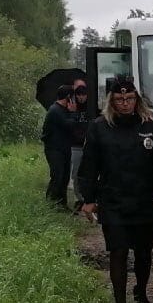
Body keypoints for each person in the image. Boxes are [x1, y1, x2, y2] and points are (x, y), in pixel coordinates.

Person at [77, 76, 153, 303]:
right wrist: (88, 198)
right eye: (120, 99)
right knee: (118, 252)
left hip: (143, 199)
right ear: (112, 101)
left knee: (143, 253)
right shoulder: (99, 127)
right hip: (113, 200)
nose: (125, 103)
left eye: (129, 98)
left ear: (136, 99)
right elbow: (89, 166)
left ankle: (141, 292)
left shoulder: (151, 124)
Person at [40, 84, 78, 209]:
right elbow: (69, 125)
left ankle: (62, 204)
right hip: (54, 149)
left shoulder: (63, 109)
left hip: (64, 148)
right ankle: (51, 203)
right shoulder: (55, 110)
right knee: (57, 176)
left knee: (65, 177)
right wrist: (73, 113)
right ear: (68, 97)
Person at [68, 80, 91, 208]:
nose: (81, 97)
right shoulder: (71, 106)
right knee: (76, 173)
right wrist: (72, 113)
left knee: (89, 173)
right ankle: (80, 198)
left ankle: (89, 198)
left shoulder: (91, 106)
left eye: (84, 95)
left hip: (89, 144)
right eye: (79, 95)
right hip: (76, 145)